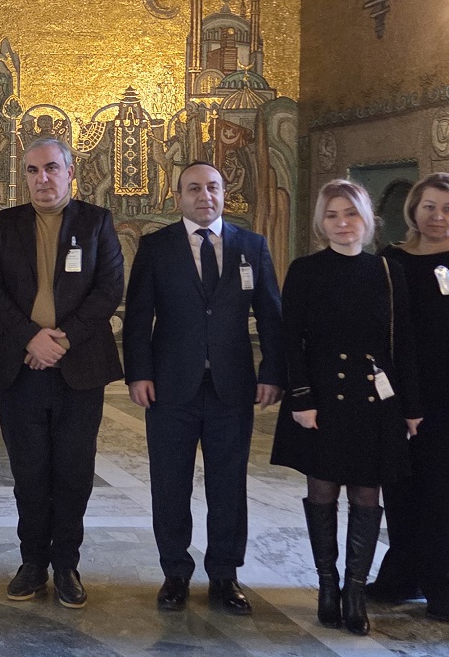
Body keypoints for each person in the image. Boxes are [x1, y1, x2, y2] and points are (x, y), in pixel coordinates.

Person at [122, 161, 283, 616]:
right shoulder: (156, 247)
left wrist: (273, 371)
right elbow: (138, 316)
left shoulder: (251, 246)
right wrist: (138, 373)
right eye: (193, 188)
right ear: (178, 197)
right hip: (171, 387)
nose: (204, 196)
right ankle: (175, 572)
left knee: (228, 485)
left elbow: (271, 314)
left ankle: (225, 575)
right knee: (169, 483)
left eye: (212, 187)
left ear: (224, 193)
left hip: (232, 386)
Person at [0, 137, 124, 609]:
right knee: (29, 472)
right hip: (20, 367)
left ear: (70, 171)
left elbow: (109, 289)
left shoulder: (96, 222)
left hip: (79, 368)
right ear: (24, 176)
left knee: (74, 473)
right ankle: (32, 563)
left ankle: (66, 566)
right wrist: (31, 338)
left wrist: (62, 340)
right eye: (33, 170)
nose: (42, 178)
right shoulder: (3, 225)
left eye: (51, 168)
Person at [271, 178, 421, 637]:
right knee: (322, 490)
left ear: (368, 219)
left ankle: (355, 590)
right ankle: (327, 585)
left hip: (374, 401)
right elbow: (290, 339)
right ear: (322, 222)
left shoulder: (389, 272)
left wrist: (411, 407)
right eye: (332, 215)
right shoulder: (305, 270)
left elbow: (404, 344)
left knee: (366, 493)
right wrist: (300, 398)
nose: (342, 223)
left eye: (351, 213)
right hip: (321, 399)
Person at [368, 173, 449, 621]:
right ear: (414, 210)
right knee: (401, 489)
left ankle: (448, 585)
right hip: (397, 396)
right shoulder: (391, 259)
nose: (438, 217)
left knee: (447, 493)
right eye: (429, 206)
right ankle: (403, 575)